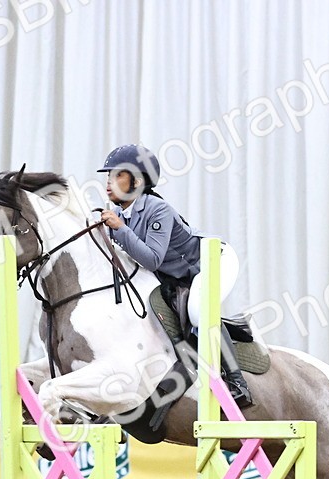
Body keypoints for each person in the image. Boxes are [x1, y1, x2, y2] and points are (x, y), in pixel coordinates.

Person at [97, 144, 253, 408]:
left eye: (116, 175)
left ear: (137, 180)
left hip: (215, 262)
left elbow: (152, 258)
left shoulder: (158, 209)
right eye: (107, 176)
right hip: (182, 275)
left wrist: (120, 229)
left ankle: (237, 383)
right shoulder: (123, 215)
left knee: (197, 311)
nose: (108, 183)